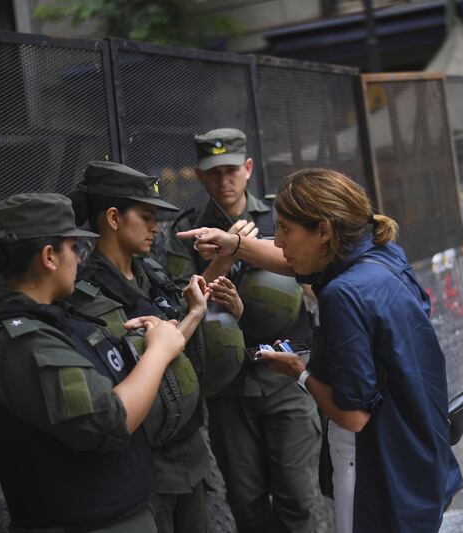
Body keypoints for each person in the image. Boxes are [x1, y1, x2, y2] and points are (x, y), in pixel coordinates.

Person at [179, 168, 462, 533]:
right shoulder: (382, 257)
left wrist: (300, 372)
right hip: (422, 455)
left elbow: (353, 416)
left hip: (379, 468)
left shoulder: (343, 294)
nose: (278, 241)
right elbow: (294, 262)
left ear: (324, 231)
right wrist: (235, 245)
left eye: (285, 229)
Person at [0, 193, 186, 532]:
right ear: (49, 256)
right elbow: (109, 419)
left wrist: (141, 344)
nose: (79, 260)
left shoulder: (56, 321)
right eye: (73, 248)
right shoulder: (18, 341)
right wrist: (159, 353)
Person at [67, 161, 242, 533]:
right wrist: (192, 316)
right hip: (145, 468)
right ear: (113, 218)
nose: (154, 227)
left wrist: (216, 298)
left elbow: (179, 322)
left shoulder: (152, 273)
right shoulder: (87, 296)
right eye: (145, 216)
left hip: (188, 454)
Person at [166, 129, 321, 533]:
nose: (224, 181)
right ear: (200, 177)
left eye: (232, 170)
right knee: (247, 504)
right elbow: (179, 305)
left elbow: (314, 286)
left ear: (248, 169)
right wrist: (228, 252)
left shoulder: (279, 219)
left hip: (286, 376)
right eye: (213, 173)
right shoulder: (187, 233)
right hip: (229, 386)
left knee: (298, 499)